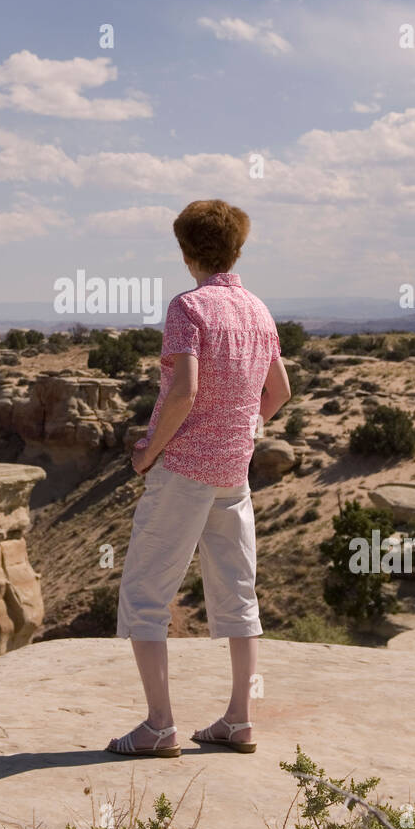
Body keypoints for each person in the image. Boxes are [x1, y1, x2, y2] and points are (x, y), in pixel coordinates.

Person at [107, 199, 291, 757]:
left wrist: (146, 452)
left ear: (187, 253)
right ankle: (238, 719)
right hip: (233, 473)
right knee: (237, 591)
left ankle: (159, 725)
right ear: (237, 248)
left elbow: (184, 392)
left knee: (145, 594)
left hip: (183, 470)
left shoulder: (188, 309)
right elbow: (278, 392)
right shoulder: (259, 311)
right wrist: (241, 427)